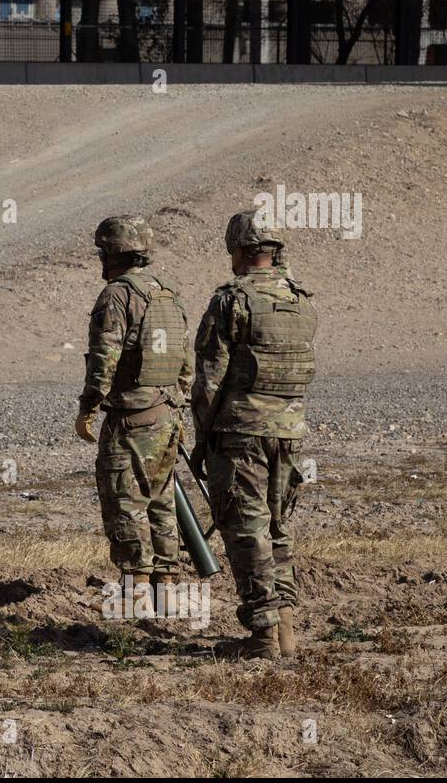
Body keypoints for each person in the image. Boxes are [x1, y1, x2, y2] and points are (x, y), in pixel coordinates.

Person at [192, 210, 318, 659]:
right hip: (287, 433)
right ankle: (286, 632)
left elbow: (209, 377)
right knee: (277, 529)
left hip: (240, 434)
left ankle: (264, 636)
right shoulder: (301, 301)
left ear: (241, 250)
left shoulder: (231, 299)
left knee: (247, 531)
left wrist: (201, 437)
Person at [75, 216, 191, 612]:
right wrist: (178, 404)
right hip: (167, 413)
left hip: (131, 417)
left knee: (125, 502)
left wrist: (88, 406)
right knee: (161, 503)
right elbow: (184, 362)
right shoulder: (168, 295)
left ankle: (136, 603)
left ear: (112, 252)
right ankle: (169, 598)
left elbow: (104, 361)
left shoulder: (117, 296)